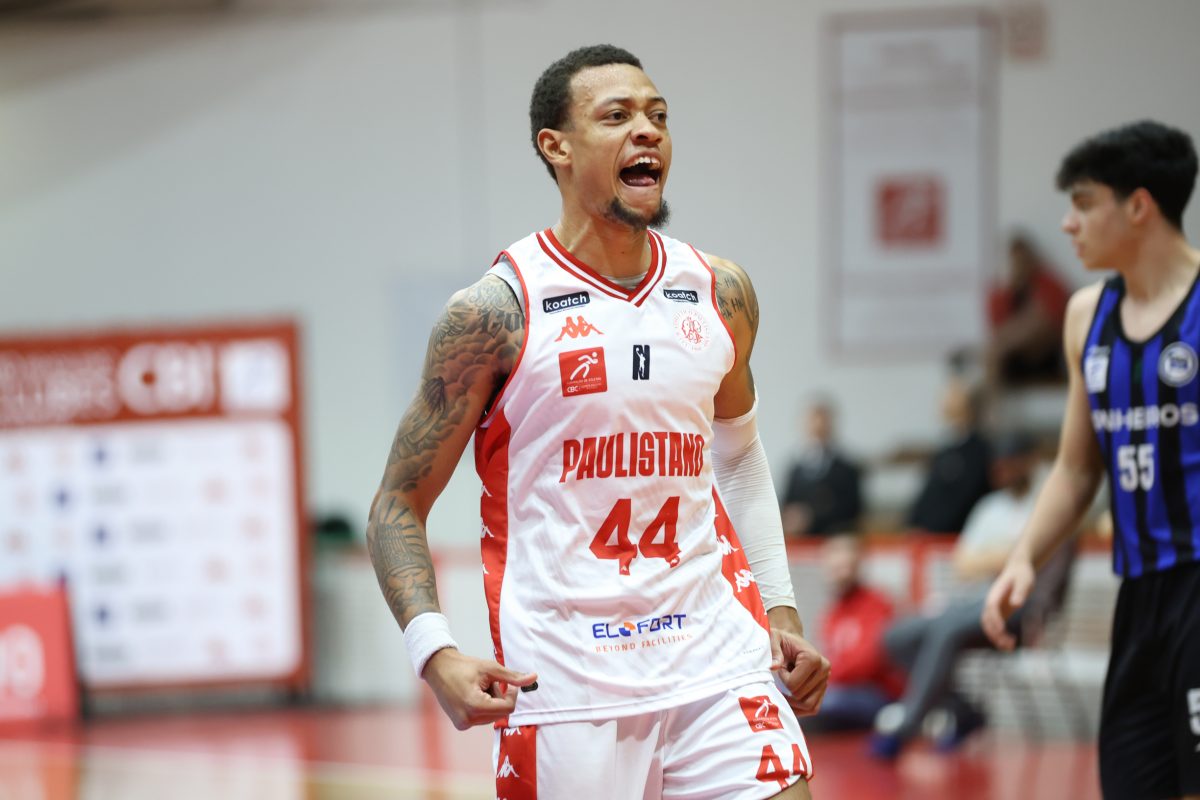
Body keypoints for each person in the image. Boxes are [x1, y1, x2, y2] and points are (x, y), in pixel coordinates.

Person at [365, 45, 828, 799]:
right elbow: (396, 504)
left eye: (658, 116)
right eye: (617, 116)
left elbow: (739, 456)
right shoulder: (495, 313)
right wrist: (435, 651)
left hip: (718, 658)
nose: (647, 131)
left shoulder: (720, 292)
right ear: (556, 146)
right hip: (567, 683)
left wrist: (780, 608)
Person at [982, 120, 1200, 800]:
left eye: (1082, 203)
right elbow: (1078, 469)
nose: (1067, 224)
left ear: (1139, 206)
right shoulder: (1086, 316)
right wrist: (1024, 557)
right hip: (1139, 596)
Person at [871, 431, 1046, 758]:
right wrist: (1009, 554)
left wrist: (998, 558)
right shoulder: (990, 507)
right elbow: (962, 564)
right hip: (973, 602)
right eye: (999, 464)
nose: (1003, 471)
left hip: (1017, 610)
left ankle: (905, 728)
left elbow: (1035, 562)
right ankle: (965, 712)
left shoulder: (1047, 505)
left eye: (1010, 463)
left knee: (946, 629)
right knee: (896, 636)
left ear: (1029, 462)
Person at [804, 534, 905, 733]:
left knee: (822, 701)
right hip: (841, 691)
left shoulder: (877, 604)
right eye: (834, 568)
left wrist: (824, 678)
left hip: (876, 693)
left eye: (845, 567)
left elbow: (869, 661)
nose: (840, 575)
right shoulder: (831, 613)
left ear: (857, 566)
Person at [906, 377, 994, 534]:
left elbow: (965, 497)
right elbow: (930, 492)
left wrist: (935, 528)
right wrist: (915, 523)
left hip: (959, 535)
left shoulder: (978, 451)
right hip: (930, 535)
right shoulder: (944, 449)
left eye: (951, 398)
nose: (943, 403)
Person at [985, 233, 1072, 388]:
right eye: (1016, 261)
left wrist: (1014, 334)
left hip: (1048, 355)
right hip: (1016, 359)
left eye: (1023, 260)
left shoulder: (1048, 286)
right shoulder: (1003, 295)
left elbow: (1050, 321)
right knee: (992, 353)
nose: (1020, 265)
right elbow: (997, 330)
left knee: (996, 350)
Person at [779, 398, 863, 537]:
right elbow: (786, 504)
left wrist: (811, 516)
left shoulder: (847, 470)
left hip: (833, 539)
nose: (818, 430)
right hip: (802, 541)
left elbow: (852, 511)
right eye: (813, 425)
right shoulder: (795, 470)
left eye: (822, 426)